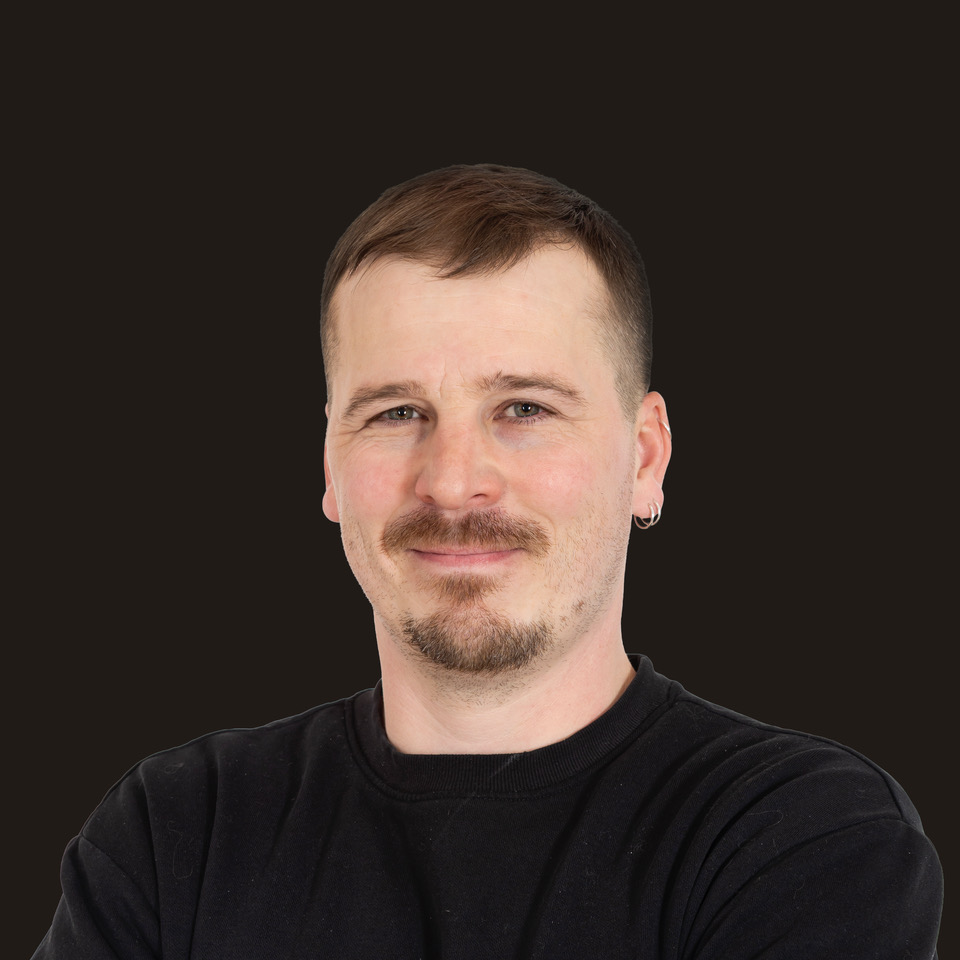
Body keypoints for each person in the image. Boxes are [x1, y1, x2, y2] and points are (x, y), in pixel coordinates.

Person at [34, 164, 943, 958]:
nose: (453, 482)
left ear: (644, 457)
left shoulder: (801, 834)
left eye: (524, 409)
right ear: (330, 468)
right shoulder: (177, 830)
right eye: (397, 413)